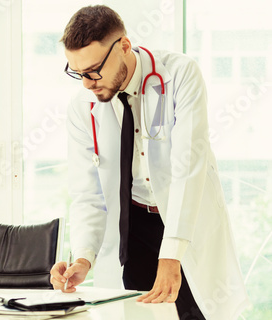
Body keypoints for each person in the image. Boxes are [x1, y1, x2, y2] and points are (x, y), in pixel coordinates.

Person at [49, 5, 249, 320]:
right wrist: (84, 258)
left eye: (93, 71)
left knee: (194, 312)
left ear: (124, 46)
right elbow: (88, 192)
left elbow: (188, 169)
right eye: (77, 72)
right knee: (141, 314)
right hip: (134, 225)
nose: (87, 83)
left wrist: (171, 257)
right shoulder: (83, 106)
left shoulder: (180, 74)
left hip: (185, 220)